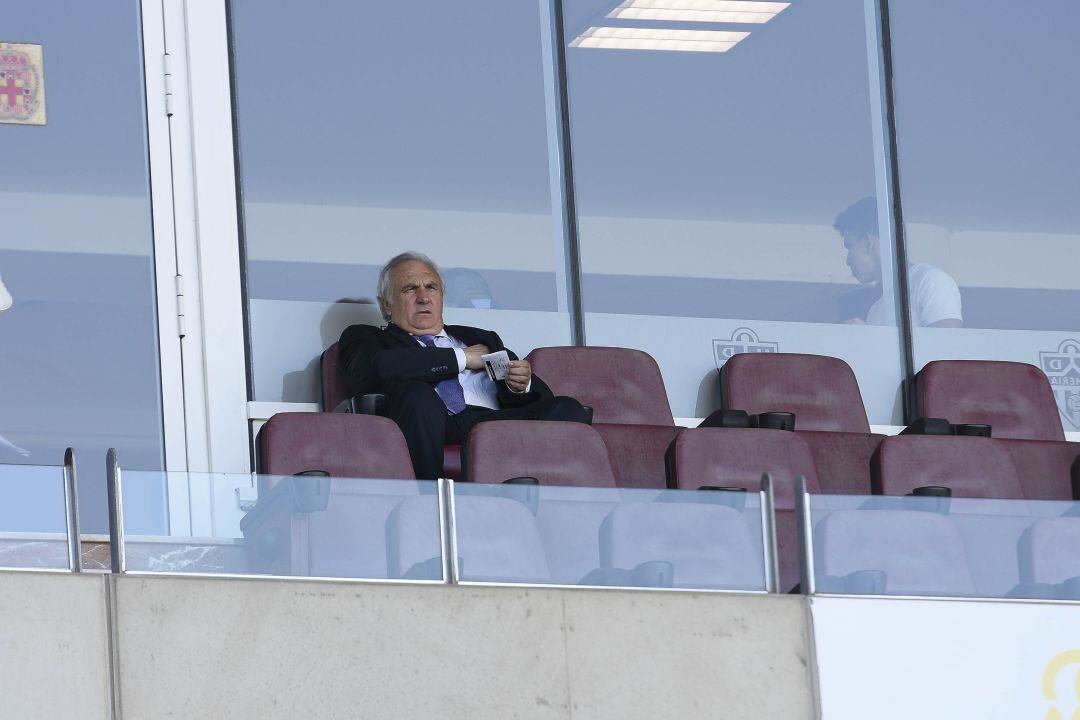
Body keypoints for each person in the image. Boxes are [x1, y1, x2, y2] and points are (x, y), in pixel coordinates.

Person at [338, 251, 588, 479]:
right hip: (434, 424)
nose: (423, 297)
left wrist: (521, 384)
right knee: (418, 397)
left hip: (495, 424)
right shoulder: (367, 338)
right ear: (386, 304)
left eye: (431, 287)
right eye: (410, 289)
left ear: (441, 297)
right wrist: (462, 359)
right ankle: (425, 501)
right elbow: (379, 367)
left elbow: (541, 398)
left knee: (568, 409)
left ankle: (551, 505)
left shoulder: (481, 338)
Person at [835, 197, 963, 328]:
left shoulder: (930, 281)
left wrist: (872, 339)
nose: (847, 261)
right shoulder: (875, 310)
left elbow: (946, 347)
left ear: (869, 242)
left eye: (849, 246)